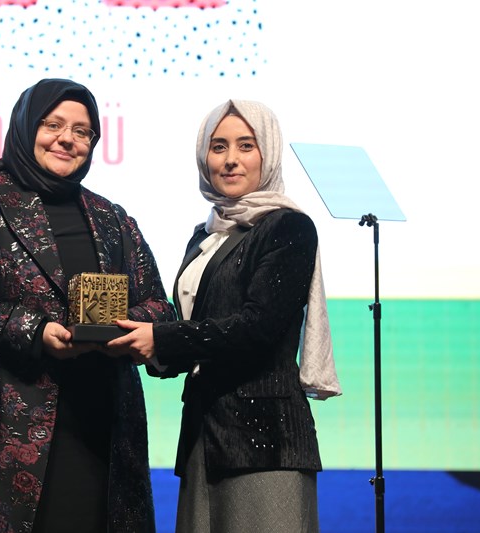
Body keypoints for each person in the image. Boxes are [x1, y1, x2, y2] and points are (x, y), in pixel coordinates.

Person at [0, 78, 175, 533]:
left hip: (99, 425)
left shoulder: (112, 217)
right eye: (52, 124)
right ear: (25, 127)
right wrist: (35, 331)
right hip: (1, 431)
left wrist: (121, 328)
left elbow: (157, 305)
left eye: (82, 131)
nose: (67, 139)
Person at [107, 99, 342, 532]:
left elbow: (258, 329)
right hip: (204, 437)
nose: (230, 159)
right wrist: (143, 346)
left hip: (265, 443)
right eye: (218, 147)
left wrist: (162, 339)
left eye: (246, 145)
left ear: (268, 153)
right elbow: (198, 330)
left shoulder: (287, 227)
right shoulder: (205, 236)